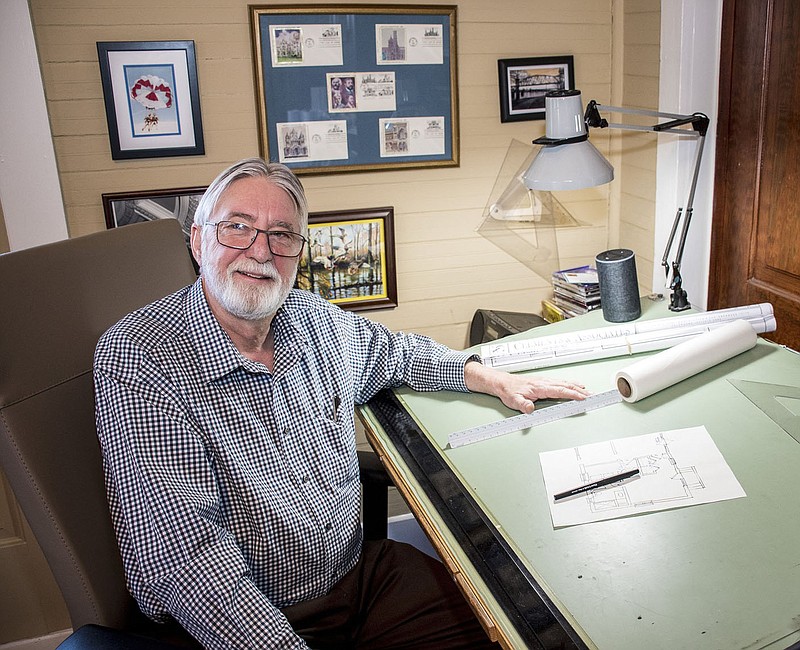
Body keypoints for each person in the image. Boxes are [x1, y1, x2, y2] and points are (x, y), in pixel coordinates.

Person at [94, 158, 590, 649]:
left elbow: (395, 354)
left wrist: (483, 376)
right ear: (198, 241)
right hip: (258, 614)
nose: (260, 251)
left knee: (512, 629)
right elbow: (185, 559)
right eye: (237, 227)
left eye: (282, 234)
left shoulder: (312, 318)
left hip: (360, 577)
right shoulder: (141, 356)